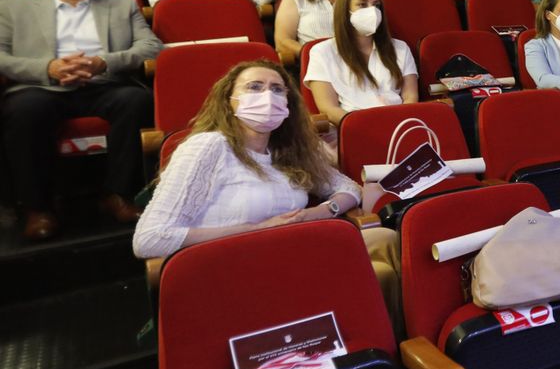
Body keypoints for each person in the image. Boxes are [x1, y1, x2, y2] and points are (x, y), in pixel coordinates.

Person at [131, 60, 403, 320]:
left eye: (276, 89)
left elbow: (348, 188)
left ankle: (408, 344)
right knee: (380, 274)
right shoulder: (208, 146)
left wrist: (319, 212)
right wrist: (259, 228)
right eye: (254, 87)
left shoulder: (288, 151)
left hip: (284, 249)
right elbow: (150, 239)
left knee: (386, 238)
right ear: (229, 100)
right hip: (231, 262)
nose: (267, 96)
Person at [0, 0, 158, 240]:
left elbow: (151, 47)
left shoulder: (122, 5)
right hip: (43, 86)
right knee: (24, 112)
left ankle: (118, 194)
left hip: (104, 84)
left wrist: (104, 62)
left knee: (137, 100)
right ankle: (38, 207)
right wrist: (49, 68)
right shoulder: (12, 9)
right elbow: (2, 57)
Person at [304, 0, 418, 125]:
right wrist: (362, 128)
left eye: (376, 5)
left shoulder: (400, 48)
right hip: (351, 127)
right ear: (345, 11)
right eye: (362, 5)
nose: (372, 11)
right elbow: (328, 108)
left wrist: (398, 124)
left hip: (398, 125)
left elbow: (410, 96)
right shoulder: (322, 51)